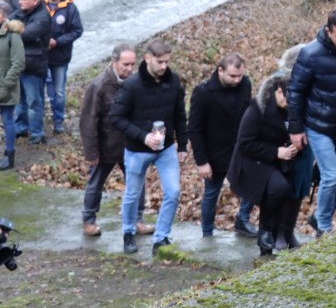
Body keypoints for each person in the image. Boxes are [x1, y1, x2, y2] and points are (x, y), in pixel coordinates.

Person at [287, 9, 336, 236]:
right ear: (328, 32)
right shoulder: (310, 54)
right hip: (317, 125)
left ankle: (319, 216)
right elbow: (295, 92)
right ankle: (324, 226)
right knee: (331, 176)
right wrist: (295, 128)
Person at [110, 38, 188, 254]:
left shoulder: (174, 82)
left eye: (167, 62)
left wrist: (182, 145)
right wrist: (143, 137)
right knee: (132, 194)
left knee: (173, 192)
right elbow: (116, 117)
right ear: (147, 58)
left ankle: (161, 237)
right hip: (137, 150)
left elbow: (180, 114)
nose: (164, 66)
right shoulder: (132, 85)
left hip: (166, 149)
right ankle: (128, 233)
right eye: (160, 62)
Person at [78, 43, 154, 236]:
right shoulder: (99, 86)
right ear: (114, 61)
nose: (129, 69)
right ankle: (89, 220)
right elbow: (88, 121)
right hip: (106, 146)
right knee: (95, 183)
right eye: (125, 64)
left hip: (131, 144)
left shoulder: (136, 83)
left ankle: (137, 219)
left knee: (137, 182)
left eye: (132, 64)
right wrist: (91, 152)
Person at [228, 74, 300, 256]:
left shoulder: (290, 109)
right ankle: (266, 232)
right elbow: (245, 142)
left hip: (276, 160)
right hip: (252, 161)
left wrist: (293, 146)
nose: (289, 104)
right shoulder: (257, 109)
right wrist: (276, 152)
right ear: (278, 92)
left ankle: (268, 235)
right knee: (278, 187)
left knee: (282, 189)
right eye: (287, 99)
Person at [187, 53, 256, 238]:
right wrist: (202, 161)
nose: (237, 80)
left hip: (240, 150)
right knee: (211, 193)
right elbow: (194, 129)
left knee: (252, 185)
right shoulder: (203, 92)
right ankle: (207, 232)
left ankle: (242, 220)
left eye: (240, 75)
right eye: (232, 76)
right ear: (220, 71)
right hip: (214, 153)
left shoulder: (245, 84)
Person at [43, 0, 84, 135]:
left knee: (58, 91)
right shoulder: (39, 5)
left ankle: (58, 120)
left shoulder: (70, 8)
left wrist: (58, 42)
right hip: (40, 56)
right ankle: (37, 122)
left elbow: (77, 30)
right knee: (39, 91)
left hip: (60, 56)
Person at [11, 0, 50, 145]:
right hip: (19, 65)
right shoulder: (22, 11)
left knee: (34, 102)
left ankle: (37, 132)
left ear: (34, 1)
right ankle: (21, 128)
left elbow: (27, 35)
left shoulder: (43, 16)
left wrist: (11, 31)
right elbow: (7, 23)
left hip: (34, 67)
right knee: (19, 101)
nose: (19, 2)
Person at [0, 2, 26, 171]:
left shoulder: (12, 35)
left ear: (3, 15)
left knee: (8, 120)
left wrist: (5, 85)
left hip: (6, 88)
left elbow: (18, 63)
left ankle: (9, 156)